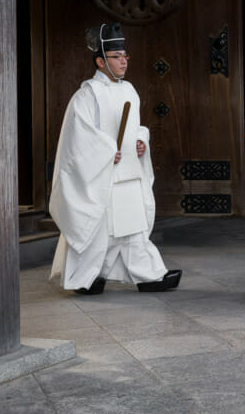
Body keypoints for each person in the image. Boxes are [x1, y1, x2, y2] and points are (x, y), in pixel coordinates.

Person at [49, 23, 181, 295]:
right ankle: (87, 277)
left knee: (133, 227)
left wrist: (140, 144)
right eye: (117, 56)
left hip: (128, 173)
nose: (123, 61)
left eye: (125, 56)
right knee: (101, 229)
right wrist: (107, 151)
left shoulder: (129, 89)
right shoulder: (86, 96)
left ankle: (150, 275)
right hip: (103, 175)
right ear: (100, 61)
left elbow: (136, 128)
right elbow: (79, 139)